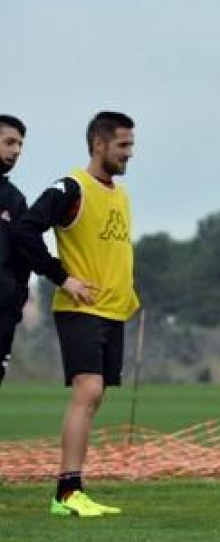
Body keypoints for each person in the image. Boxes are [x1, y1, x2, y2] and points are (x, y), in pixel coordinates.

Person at [11, 111, 138, 517]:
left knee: (94, 396)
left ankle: (73, 489)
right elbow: (25, 230)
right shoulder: (71, 187)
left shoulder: (119, 194)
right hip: (81, 310)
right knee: (89, 390)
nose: (129, 154)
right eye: (122, 145)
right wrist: (61, 278)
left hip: (113, 312)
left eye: (131, 146)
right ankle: (66, 493)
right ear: (99, 144)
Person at [0, 114, 30, 386]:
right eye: (9, 142)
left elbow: (24, 258)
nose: (16, 150)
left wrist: (13, 304)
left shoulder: (15, 200)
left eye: (20, 144)